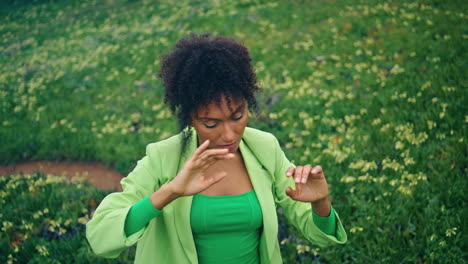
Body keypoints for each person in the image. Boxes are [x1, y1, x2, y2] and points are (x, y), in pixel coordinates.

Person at [86, 33, 347, 264]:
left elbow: (320, 237)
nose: (229, 134)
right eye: (211, 123)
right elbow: (100, 236)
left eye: (237, 116)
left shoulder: (265, 148)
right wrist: (171, 191)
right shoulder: (162, 158)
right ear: (189, 118)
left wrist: (320, 202)